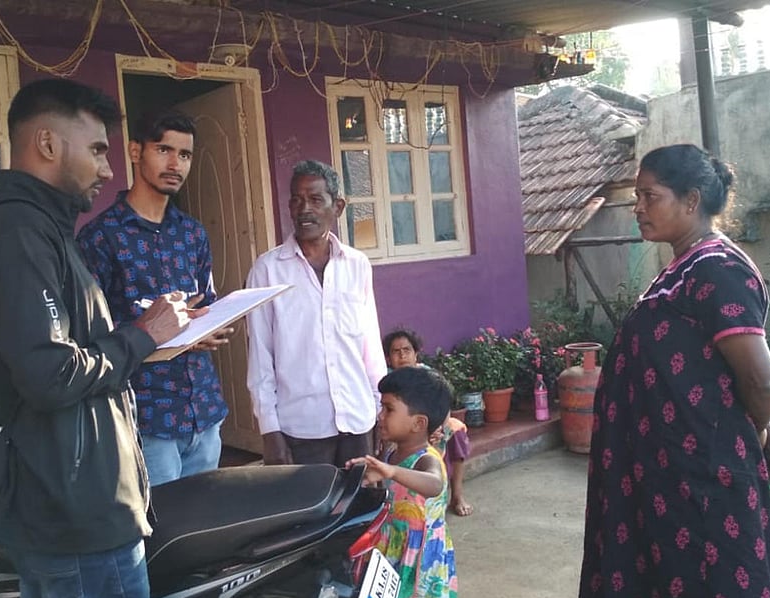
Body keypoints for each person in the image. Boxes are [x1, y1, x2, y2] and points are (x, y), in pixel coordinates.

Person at [0, 79, 195, 598]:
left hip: (60, 506)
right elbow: (49, 372)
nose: (108, 165)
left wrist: (146, 342)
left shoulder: (41, 230)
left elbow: (61, 353)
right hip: (80, 513)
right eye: (96, 149)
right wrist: (143, 337)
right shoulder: (18, 234)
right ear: (46, 142)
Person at [570, 144, 770, 598]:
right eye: (637, 196)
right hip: (666, 481)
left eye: (649, 196)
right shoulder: (680, 268)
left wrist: (759, 429)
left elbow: (761, 383)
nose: (637, 207)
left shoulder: (716, 269)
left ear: (691, 200)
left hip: (704, 488)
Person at [78, 109, 231, 486]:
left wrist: (209, 328)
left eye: (185, 155)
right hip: (147, 417)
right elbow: (89, 334)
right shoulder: (100, 237)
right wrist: (153, 331)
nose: (175, 163)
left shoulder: (192, 234)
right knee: (161, 533)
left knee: (202, 529)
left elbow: (203, 304)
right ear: (135, 152)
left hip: (204, 411)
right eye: (163, 150)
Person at [246, 159, 386, 466]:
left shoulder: (357, 264)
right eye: (296, 200)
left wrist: (381, 411)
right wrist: (270, 431)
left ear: (337, 206)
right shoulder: (267, 270)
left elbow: (370, 348)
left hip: (357, 420)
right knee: (310, 513)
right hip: (302, 430)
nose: (304, 209)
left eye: (315, 199)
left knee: (360, 510)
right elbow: (260, 358)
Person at [347, 366, 458, 598]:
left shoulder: (426, 460)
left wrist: (392, 471)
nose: (380, 416)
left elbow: (433, 484)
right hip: (391, 550)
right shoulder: (391, 452)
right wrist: (368, 473)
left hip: (421, 559)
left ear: (418, 423)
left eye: (388, 409)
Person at [383, 327, 474, 516]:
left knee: (456, 434)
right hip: (401, 429)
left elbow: (443, 405)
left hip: (432, 426)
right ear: (388, 358)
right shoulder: (387, 381)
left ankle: (457, 495)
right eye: (396, 351)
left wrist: (437, 427)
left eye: (406, 350)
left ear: (416, 354)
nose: (402, 356)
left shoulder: (428, 376)